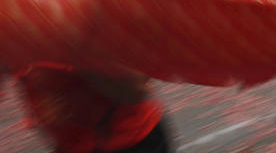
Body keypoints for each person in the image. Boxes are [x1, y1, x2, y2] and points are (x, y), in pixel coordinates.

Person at [14, 63, 170, 153]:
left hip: (129, 141)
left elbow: (136, 90)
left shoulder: (82, 18)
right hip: (71, 145)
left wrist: (74, 49)